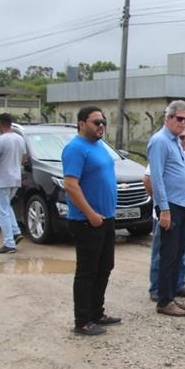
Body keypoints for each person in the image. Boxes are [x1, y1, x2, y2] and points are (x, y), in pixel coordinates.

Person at [62, 106, 121, 336]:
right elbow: (70, 185)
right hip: (87, 221)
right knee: (87, 271)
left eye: (103, 121)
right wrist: (90, 214)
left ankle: (97, 312)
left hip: (106, 218)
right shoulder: (75, 149)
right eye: (96, 122)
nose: (101, 126)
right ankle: (82, 320)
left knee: (105, 266)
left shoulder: (99, 146)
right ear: (81, 123)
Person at [147, 100, 185, 317]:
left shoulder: (175, 141)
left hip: (181, 205)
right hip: (171, 206)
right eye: (179, 118)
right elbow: (156, 177)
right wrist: (164, 209)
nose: (183, 123)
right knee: (168, 253)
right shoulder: (160, 141)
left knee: (177, 253)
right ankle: (164, 300)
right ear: (168, 118)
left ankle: (171, 294)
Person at [0, 113, 27, 254]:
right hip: (16, 178)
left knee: (1, 211)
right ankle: (16, 232)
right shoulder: (20, 139)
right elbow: (24, 159)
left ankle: (9, 243)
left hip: (2, 179)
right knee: (7, 206)